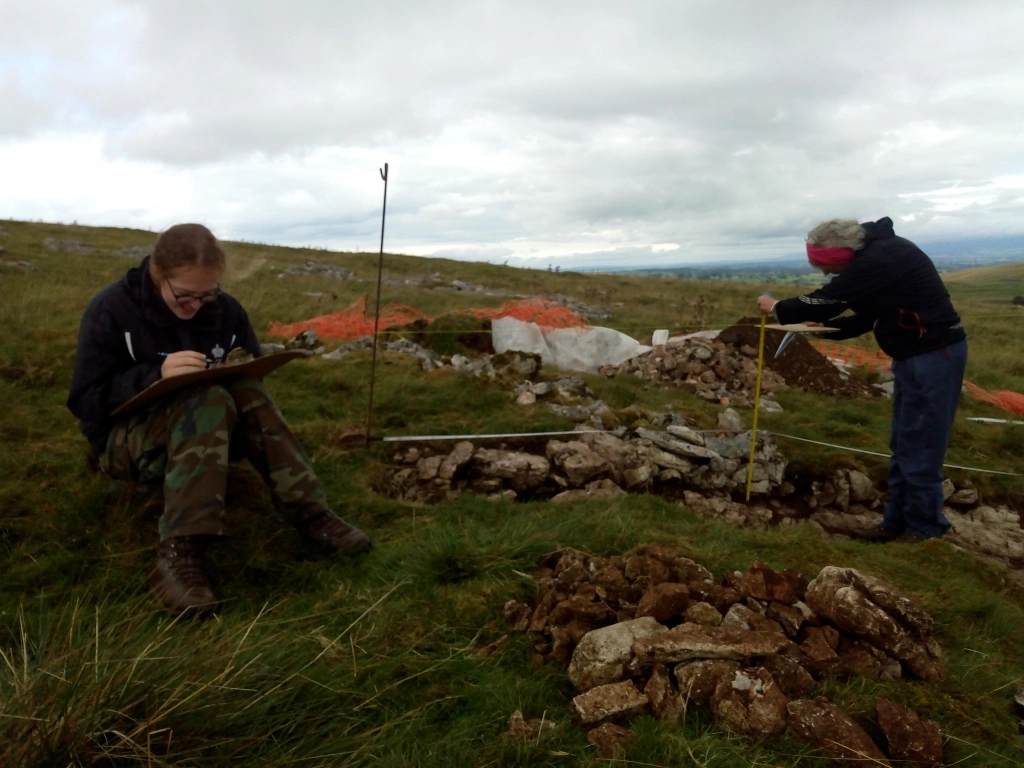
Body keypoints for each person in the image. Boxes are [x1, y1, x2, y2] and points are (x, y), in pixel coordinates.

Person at [68, 223, 371, 615]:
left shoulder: (226, 311)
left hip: (211, 436)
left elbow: (251, 370)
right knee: (206, 398)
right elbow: (86, 400)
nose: (196, 306)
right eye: (184, 297)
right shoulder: (111, 310)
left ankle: (311, 514)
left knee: (248, 392)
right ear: (158, 274)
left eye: (206, 294)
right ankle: (180, 550)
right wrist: (153, 376)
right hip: (127, 445)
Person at [756, 217, 967, 542]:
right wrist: (826, 329)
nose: (827, 273)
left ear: (840, 253)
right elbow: (871, 315)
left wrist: (777, 307)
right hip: (916, 356)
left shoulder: (882, 257)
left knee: (921, 444)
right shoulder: (879, 255)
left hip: (933, 357)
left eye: (827, 266)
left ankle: (926, 532)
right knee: (903, 442)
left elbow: (828, 299)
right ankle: (895, 524)